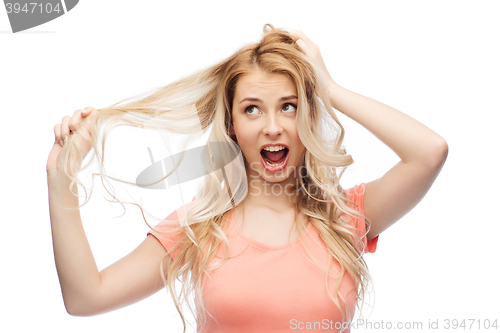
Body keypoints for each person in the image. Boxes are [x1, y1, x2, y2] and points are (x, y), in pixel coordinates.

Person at [46, 25, 448, 332]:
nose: (272, 127)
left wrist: (329, 88)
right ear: (233, 124)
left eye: (288, 106)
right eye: (252, 109)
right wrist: (59, 178)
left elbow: (429, 152)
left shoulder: (348, 216)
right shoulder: (200, 227)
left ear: (308, 114)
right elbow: (86, 297)